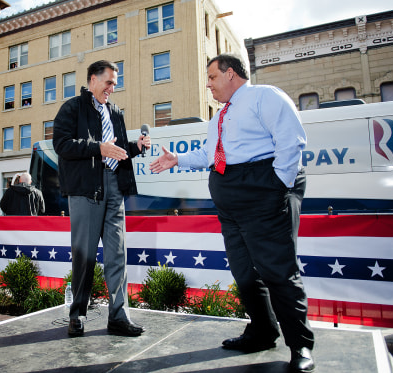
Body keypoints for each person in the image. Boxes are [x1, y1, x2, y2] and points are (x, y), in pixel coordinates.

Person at [149, 54, 315, 373]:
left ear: (229, 74)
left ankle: (300, 345)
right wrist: (177, 160)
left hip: (263, 191)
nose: (208, 84)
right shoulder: (219, 118)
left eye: (211, 77)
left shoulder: (264, 96)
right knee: (244, 272)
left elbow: (290, 142)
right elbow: (210, 156)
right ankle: (263, 331)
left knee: (278, 271)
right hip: (231, 201)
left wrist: (277, 186)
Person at [53, 60, 150, 338]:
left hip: (114, 187)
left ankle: (119, 317)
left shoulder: (115, 112)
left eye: (114, 84)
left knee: (117, 255)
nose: (111, 88)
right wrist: (98, 148)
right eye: (108, 82)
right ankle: (77, 315)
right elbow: (61, 144)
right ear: (92, 80)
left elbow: (116, 149)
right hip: (86, 190)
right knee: (84, 256)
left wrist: (135, 147)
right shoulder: (72, 108)